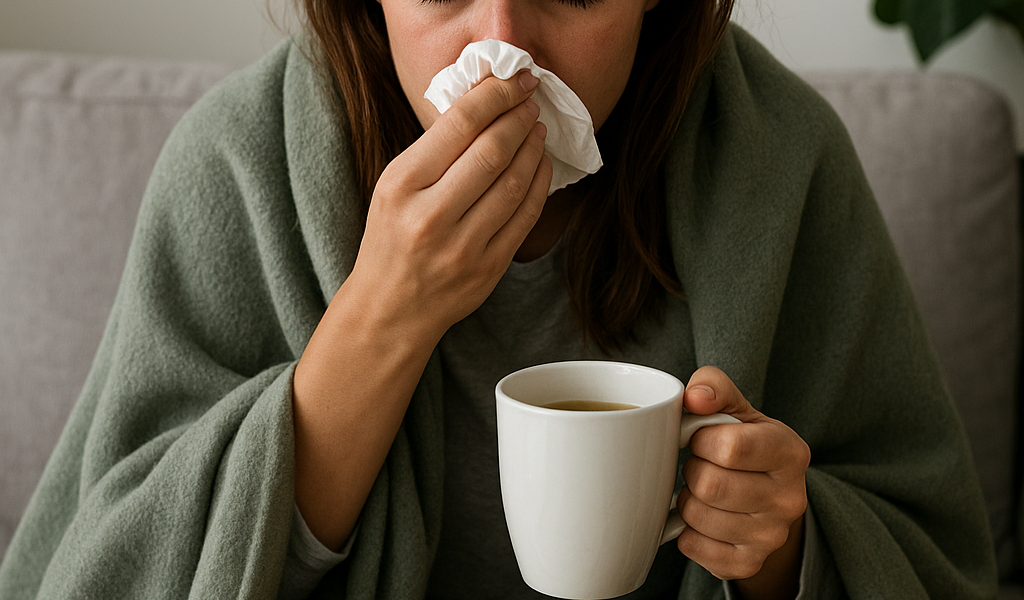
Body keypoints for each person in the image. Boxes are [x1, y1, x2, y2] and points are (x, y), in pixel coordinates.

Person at [0, 0, 999, 596]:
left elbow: (930, 549)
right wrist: (383, 314)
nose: (506, 45)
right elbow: (107, 567)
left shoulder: (780, 161)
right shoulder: (238, 165)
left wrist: (783, 549)